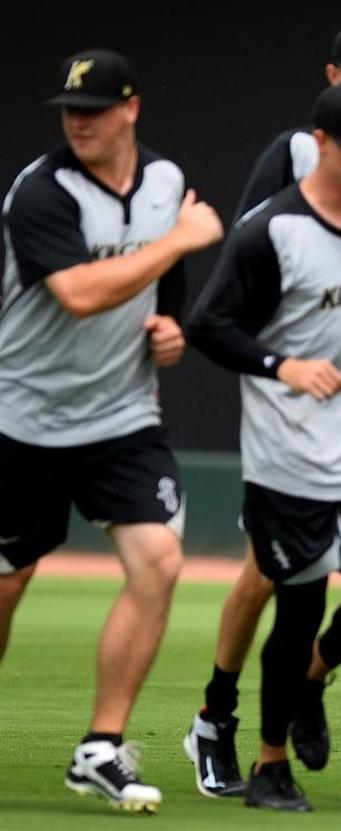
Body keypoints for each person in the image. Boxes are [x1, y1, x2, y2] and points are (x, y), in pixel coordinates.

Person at [183, 19, 341, 800]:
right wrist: (284, 364)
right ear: (328, 89)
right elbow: (253, 297)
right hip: (293, 424)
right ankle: (229, 725)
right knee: (280, 584)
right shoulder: (286, 184)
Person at [0, 49, 223, 812]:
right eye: (70, 110)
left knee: (158, 560)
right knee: (7, 583)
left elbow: (162, 298)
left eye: (94, 108)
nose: (79, 122)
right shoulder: (41, 192)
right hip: (20, 418)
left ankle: (100, 746)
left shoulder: (164, 183)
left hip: (120, 417)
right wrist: (181, 239)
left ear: (130, 108)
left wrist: (168, 332)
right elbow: (82, 294)